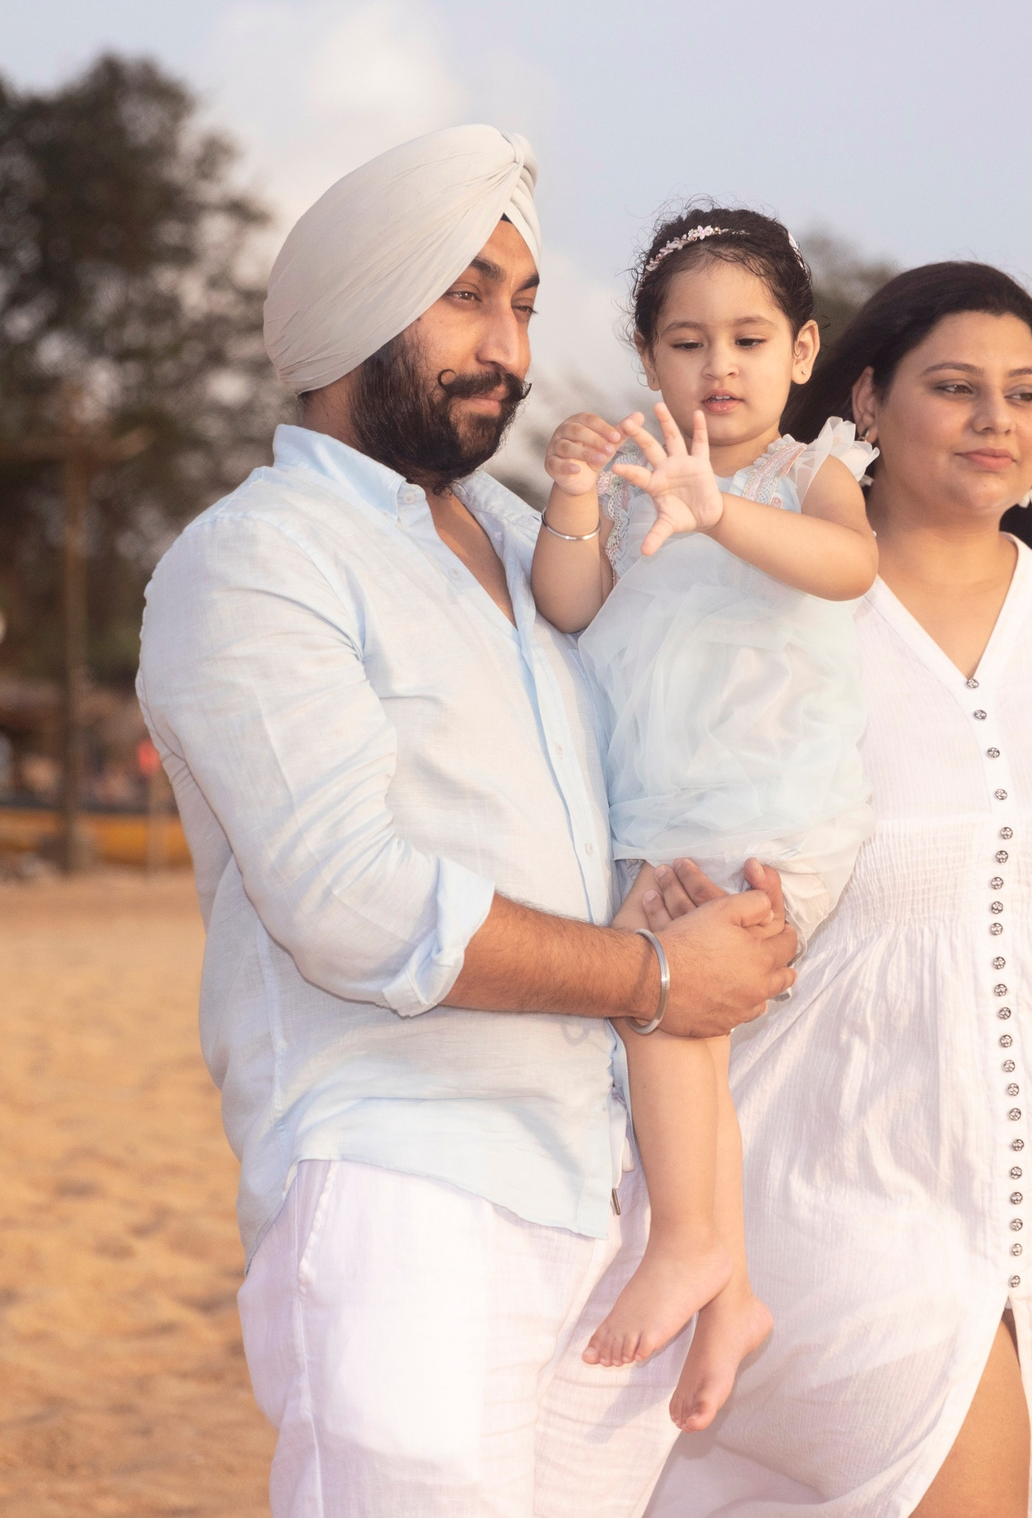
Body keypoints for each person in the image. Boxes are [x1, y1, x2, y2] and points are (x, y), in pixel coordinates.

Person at [135, 126, 802, 1518]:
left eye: (527, 303)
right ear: (355, 309)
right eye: (467, 295)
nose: (509, 344)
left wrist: (682, 906)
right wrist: (661, 980)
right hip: (402, 1178)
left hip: (599, 1186)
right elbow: (353, 899)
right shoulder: (253, 559)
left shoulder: (517, 535)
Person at [646, 262, 1032, 1518]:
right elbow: (672, 870)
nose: (995, 419)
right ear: (863, 400)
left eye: (1023, 394)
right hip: (831, 1182)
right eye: (955, 387)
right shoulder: (771, 618)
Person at [530, 208, 877, 1434]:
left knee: (669, 1007)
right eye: (685, 343)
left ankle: (684, 1242)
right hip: (663, 811)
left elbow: (847, 569)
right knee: (695, 1038)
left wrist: (718, 507)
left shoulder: (804, 473)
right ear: (647, 361)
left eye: (746, 339)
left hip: (776, 813)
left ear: (800, 351)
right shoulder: (634, 478)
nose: (716, 367)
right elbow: (567, 603)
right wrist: (576, 492)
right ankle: (727, 1287)